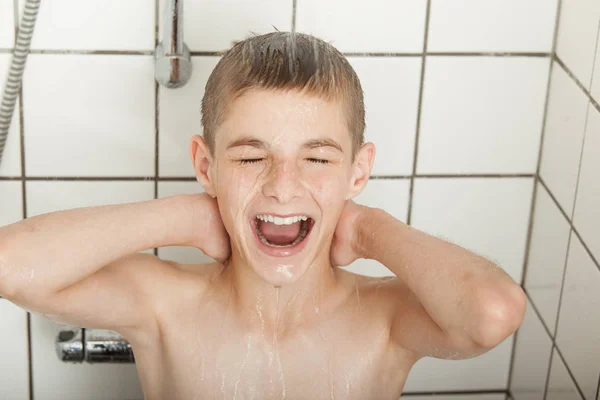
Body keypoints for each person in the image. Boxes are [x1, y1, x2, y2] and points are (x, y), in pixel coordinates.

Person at [0, 32, 526, 399]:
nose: (282, 186)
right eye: (251, 158)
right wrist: (185, 217)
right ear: (206, 167)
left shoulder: (382, 320)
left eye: (317, 159)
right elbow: (10, 265)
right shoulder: (166, 306)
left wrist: (368, 228)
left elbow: (492, 314)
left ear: (358, 171)